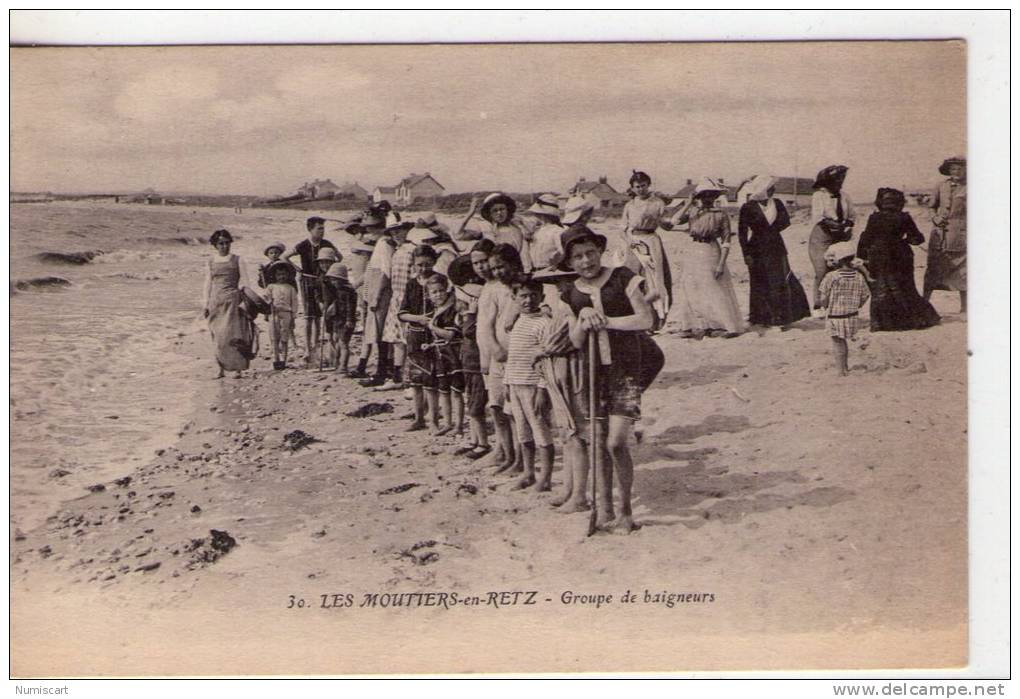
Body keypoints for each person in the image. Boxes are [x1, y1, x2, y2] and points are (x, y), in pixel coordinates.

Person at [560, 226, 664, 533]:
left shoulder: (623, 278)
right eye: (577, 257)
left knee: (616, 442)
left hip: (627, 369)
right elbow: (576, 341)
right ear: (570, 262)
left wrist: (606, 321)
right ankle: (603, 508)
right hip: (595, 373)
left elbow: (646, 319)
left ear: (600, 251)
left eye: (590, 252)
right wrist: (583, 320)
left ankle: (626, 510)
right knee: (598, 442)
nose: (586, 260)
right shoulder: (571, 293)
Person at [671, 178, 747, 337]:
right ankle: (692, 325)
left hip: (710, 250)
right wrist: (688, 203)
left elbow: (726, 241)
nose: (707, 199)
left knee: (713, 287)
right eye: (703, 195)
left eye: (711, 195)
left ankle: (723, 325)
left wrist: (721, 264)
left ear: (715, 197)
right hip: (693, 249)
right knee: (690, 286)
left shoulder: (721, 214)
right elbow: (673, 221)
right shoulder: (693, 212)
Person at [855, 188, 940, 331]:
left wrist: (862, 257)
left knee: (881, 288)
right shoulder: (904, 217)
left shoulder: (874, 217)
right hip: (901, 254)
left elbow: (866, 238)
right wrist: (906, 240)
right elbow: (917, 238)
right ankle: (910, 321)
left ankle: (882, 323)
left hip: (879, 255)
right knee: (905, 287)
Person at [503, 276, 556, 492]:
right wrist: (507, 383)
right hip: (515, 383)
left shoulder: (544, 323)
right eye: (523, 296)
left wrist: (542, 390)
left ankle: (546, 478)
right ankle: (528, 473)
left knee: (541, 431)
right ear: (515, 298)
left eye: (533, 295)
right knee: (523, 433)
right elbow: (512, 355)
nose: (528, 300)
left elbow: (546, 360)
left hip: (533, 386)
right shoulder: (518, 321)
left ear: (541, 297)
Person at [737, 175, 811, 328]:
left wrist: (771, 230)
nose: (773, 190)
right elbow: (742, 233)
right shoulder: (748, 207)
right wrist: (746, 254)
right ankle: (760, 317)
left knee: (779, 281)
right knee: (759, 282)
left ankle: (780, 317)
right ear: (762, 190)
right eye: (770, 188)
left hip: (776, 246)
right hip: (756, 248)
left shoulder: (777, 203)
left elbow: (785, 222)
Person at [477, 243, 523, 472]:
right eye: (494, 268)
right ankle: (505, 452)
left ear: (514, 264)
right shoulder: (494, 289)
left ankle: (519, 458)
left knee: (516, 411)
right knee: (496, 405)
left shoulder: (525, 287)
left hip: (519, 357)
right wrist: (493, 349)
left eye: (502, 267)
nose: (498, 272)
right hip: (498, 355)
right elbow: (486, 324)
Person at [447, 255, 490, 459]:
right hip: (469, 358)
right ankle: (475, 440)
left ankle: (482, 443)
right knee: (471, 398)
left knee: (476, 403)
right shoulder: (467, 304)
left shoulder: (474, 304)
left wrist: (469, 316)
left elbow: (470, 331)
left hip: (477, 358)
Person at [621, 170, 674, 329]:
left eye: (643, 186)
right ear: (632, 188)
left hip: (651, 242)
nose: (640, 189)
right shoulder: (629, 205)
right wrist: (630, 242)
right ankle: (635, 318)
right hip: (633, 244)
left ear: (648, 185)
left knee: (654, 279)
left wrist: (668, 219)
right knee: (634, 279)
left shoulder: (657, 203)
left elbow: (667, 225)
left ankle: (654, 321)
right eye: (637, 186)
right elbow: (623, 228)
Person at [397, 245, 442, 432]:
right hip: (415, 336)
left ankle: (434, 420)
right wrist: (418, 319)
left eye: (427, 264)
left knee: (433, 379)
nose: (423, 269)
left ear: (434, 262)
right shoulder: (411, 284)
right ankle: (418, 418)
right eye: (419, 265)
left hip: (435, 336)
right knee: (416, 380)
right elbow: (402, 313)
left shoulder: (440, 282)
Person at [283, 217, 338, 364]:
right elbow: (285, 256)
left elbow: (339, 257)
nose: (322, 231)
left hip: (323, 280)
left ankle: (316, 346)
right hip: (307, 280)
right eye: (319, 228)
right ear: (310, 229)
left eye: (323, 228)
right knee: (308, 316)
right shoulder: (303, 245)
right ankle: (308, 349)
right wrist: (298, 269)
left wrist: (330, 270)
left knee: (320, 315)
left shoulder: (327, 244)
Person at [202, 229, 254, 379]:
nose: (224, 246)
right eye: (220, 243)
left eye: (227, 243)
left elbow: (246, 282)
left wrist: (246, 302)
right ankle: (220, 369)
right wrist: (205, 304)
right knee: (218, 336)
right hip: (216, 302)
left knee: (234, 335)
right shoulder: (210, 261)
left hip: (233, 301)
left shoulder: (238, 260)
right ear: (215, 245)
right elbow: (207, 283)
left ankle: (238, 369)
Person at [923, 156, 967, 314]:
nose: (957, 172)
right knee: (932, 270)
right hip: (939, 236)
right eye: (953, 169)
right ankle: (924, 305)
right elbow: (931, 207)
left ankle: (964, 308)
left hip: (961, 237)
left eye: (960, 168)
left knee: (964, 273)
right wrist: (935, 218)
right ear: (948, 171)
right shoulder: (941, 186)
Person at [819, 242, 871, 376]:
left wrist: (825, 306)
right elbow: (865, 295)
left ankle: (840, 371)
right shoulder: (859, 276)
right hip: (852, 314)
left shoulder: (831, 277)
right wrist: (856, 305)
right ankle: (846, 367)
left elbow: (823, 297)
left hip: (835, 315)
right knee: (843, 342)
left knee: (837, 342)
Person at [809, 165, 856, 310]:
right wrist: (836, 224)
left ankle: (836, 303)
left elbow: (852, 215)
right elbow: (818, 217)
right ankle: (818, 304)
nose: (840, 183)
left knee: (841, 268)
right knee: (822, 269)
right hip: (822, 235)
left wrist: (846, 225)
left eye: (842, 180)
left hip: (841, 235)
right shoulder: (819, 196)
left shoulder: (845, 196)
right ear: (828, 182)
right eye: (837, 180)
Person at [378, 221, 416, 391]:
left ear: (407, 231)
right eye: (394, 233)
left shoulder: (413, 250)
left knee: (410, 339)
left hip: (409, 299)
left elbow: (415, 276)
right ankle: (397, 376)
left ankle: (411, 379)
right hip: (396, 297)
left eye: (400, 231)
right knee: (396, 339)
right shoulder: (396, 251)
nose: (397, 235)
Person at [425, 274, 464, 437]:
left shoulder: (452, 309)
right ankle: (447, 423)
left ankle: (459, 425)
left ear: (447, 290)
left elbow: (450, 335)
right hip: (440, 354)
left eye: (441, 291)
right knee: (444, 390)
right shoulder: (436, 310)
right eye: (434, 292)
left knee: (456, 391)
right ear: (429, 295)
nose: (438, 294)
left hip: (453, 355)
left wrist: (432, 327)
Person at [359, 213, 396, 386]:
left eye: (372, 228)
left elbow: (385, 273)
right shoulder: (381, 243)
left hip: (381, 293)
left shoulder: (384, 244)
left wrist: (376, 297)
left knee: (380, 332)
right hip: (376, 291)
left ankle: (382, 372)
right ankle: (383, 369)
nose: (369, 231)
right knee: (378, 331)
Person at [455, 192, 533, 270]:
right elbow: (458, 235)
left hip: (518, 268)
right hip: (495, 270)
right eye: (495, 211)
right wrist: (470, 213)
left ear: (507, 210)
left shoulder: (517, 226)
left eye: (502, 209)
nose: (499, 213)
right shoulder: (485, 229)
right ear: (490, 214)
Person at [322, 263, 358, 373]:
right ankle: (337, 363)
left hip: (345, 320)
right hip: (338, 320)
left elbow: (350, 308)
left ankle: (343, 366)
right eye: (332, 280)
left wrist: (349, 319)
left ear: (341, 279)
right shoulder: (338, 291)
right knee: (337, 340)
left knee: (343, 343)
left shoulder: (348, 292)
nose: (333, 283)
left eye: (335, 280)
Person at [265, 261, 299, 370]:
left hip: (286, 314)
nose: (281, 277)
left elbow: (294, 303)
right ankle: (276, 359)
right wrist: (268, 304)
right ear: (274, 275)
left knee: (284, 338)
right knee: (274, 338)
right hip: (274, 314)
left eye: (284, 274)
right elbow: (265, 299)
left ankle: (284, 359)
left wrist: (293, 317)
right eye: (279, 274)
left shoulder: (291, 288)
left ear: (288, 275)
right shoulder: (270, 287)